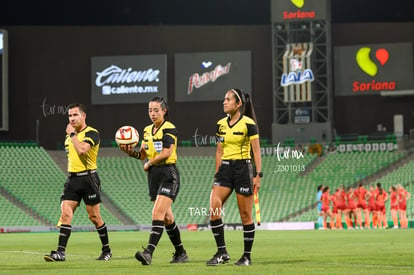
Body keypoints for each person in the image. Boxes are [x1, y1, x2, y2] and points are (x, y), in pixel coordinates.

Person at [119, 96, 189, 265]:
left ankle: (148, 253)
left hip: (168, 174)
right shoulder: (147, 130)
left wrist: (150, 162)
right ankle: (181, 253)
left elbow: (167, 152)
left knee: (157, 213)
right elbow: (142, 154)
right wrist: (130, 152)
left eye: (156, 110)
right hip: (154, 176)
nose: (152, 113)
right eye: (150, 110)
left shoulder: (169, 128)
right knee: (167, 219)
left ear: (164, 111)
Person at [44, 103, 112, 262]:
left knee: (94, 217)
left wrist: (72, 135)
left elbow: (82, 150)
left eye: (75, 115)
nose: (72, 118)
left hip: (89, 178)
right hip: (73, 179)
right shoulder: (70, 136)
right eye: (70, 116)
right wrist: (72, 136)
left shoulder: (92, 133)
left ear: (84, 116)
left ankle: (106, 250)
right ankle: (60, 252)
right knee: (66, 214)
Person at [206, 88, 262, 266]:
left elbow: (256, 151)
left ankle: (247, 256)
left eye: (228, 99)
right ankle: (222, 252)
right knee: (214, 209)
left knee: (245, 215)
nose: (224, 102)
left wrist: (258, 175)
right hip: (225, 169)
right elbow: (219, 151)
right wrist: (217, 173)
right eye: (224, 99)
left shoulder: (248, 123)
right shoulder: (220, 124)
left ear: (238, 104)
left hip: (243, 169)